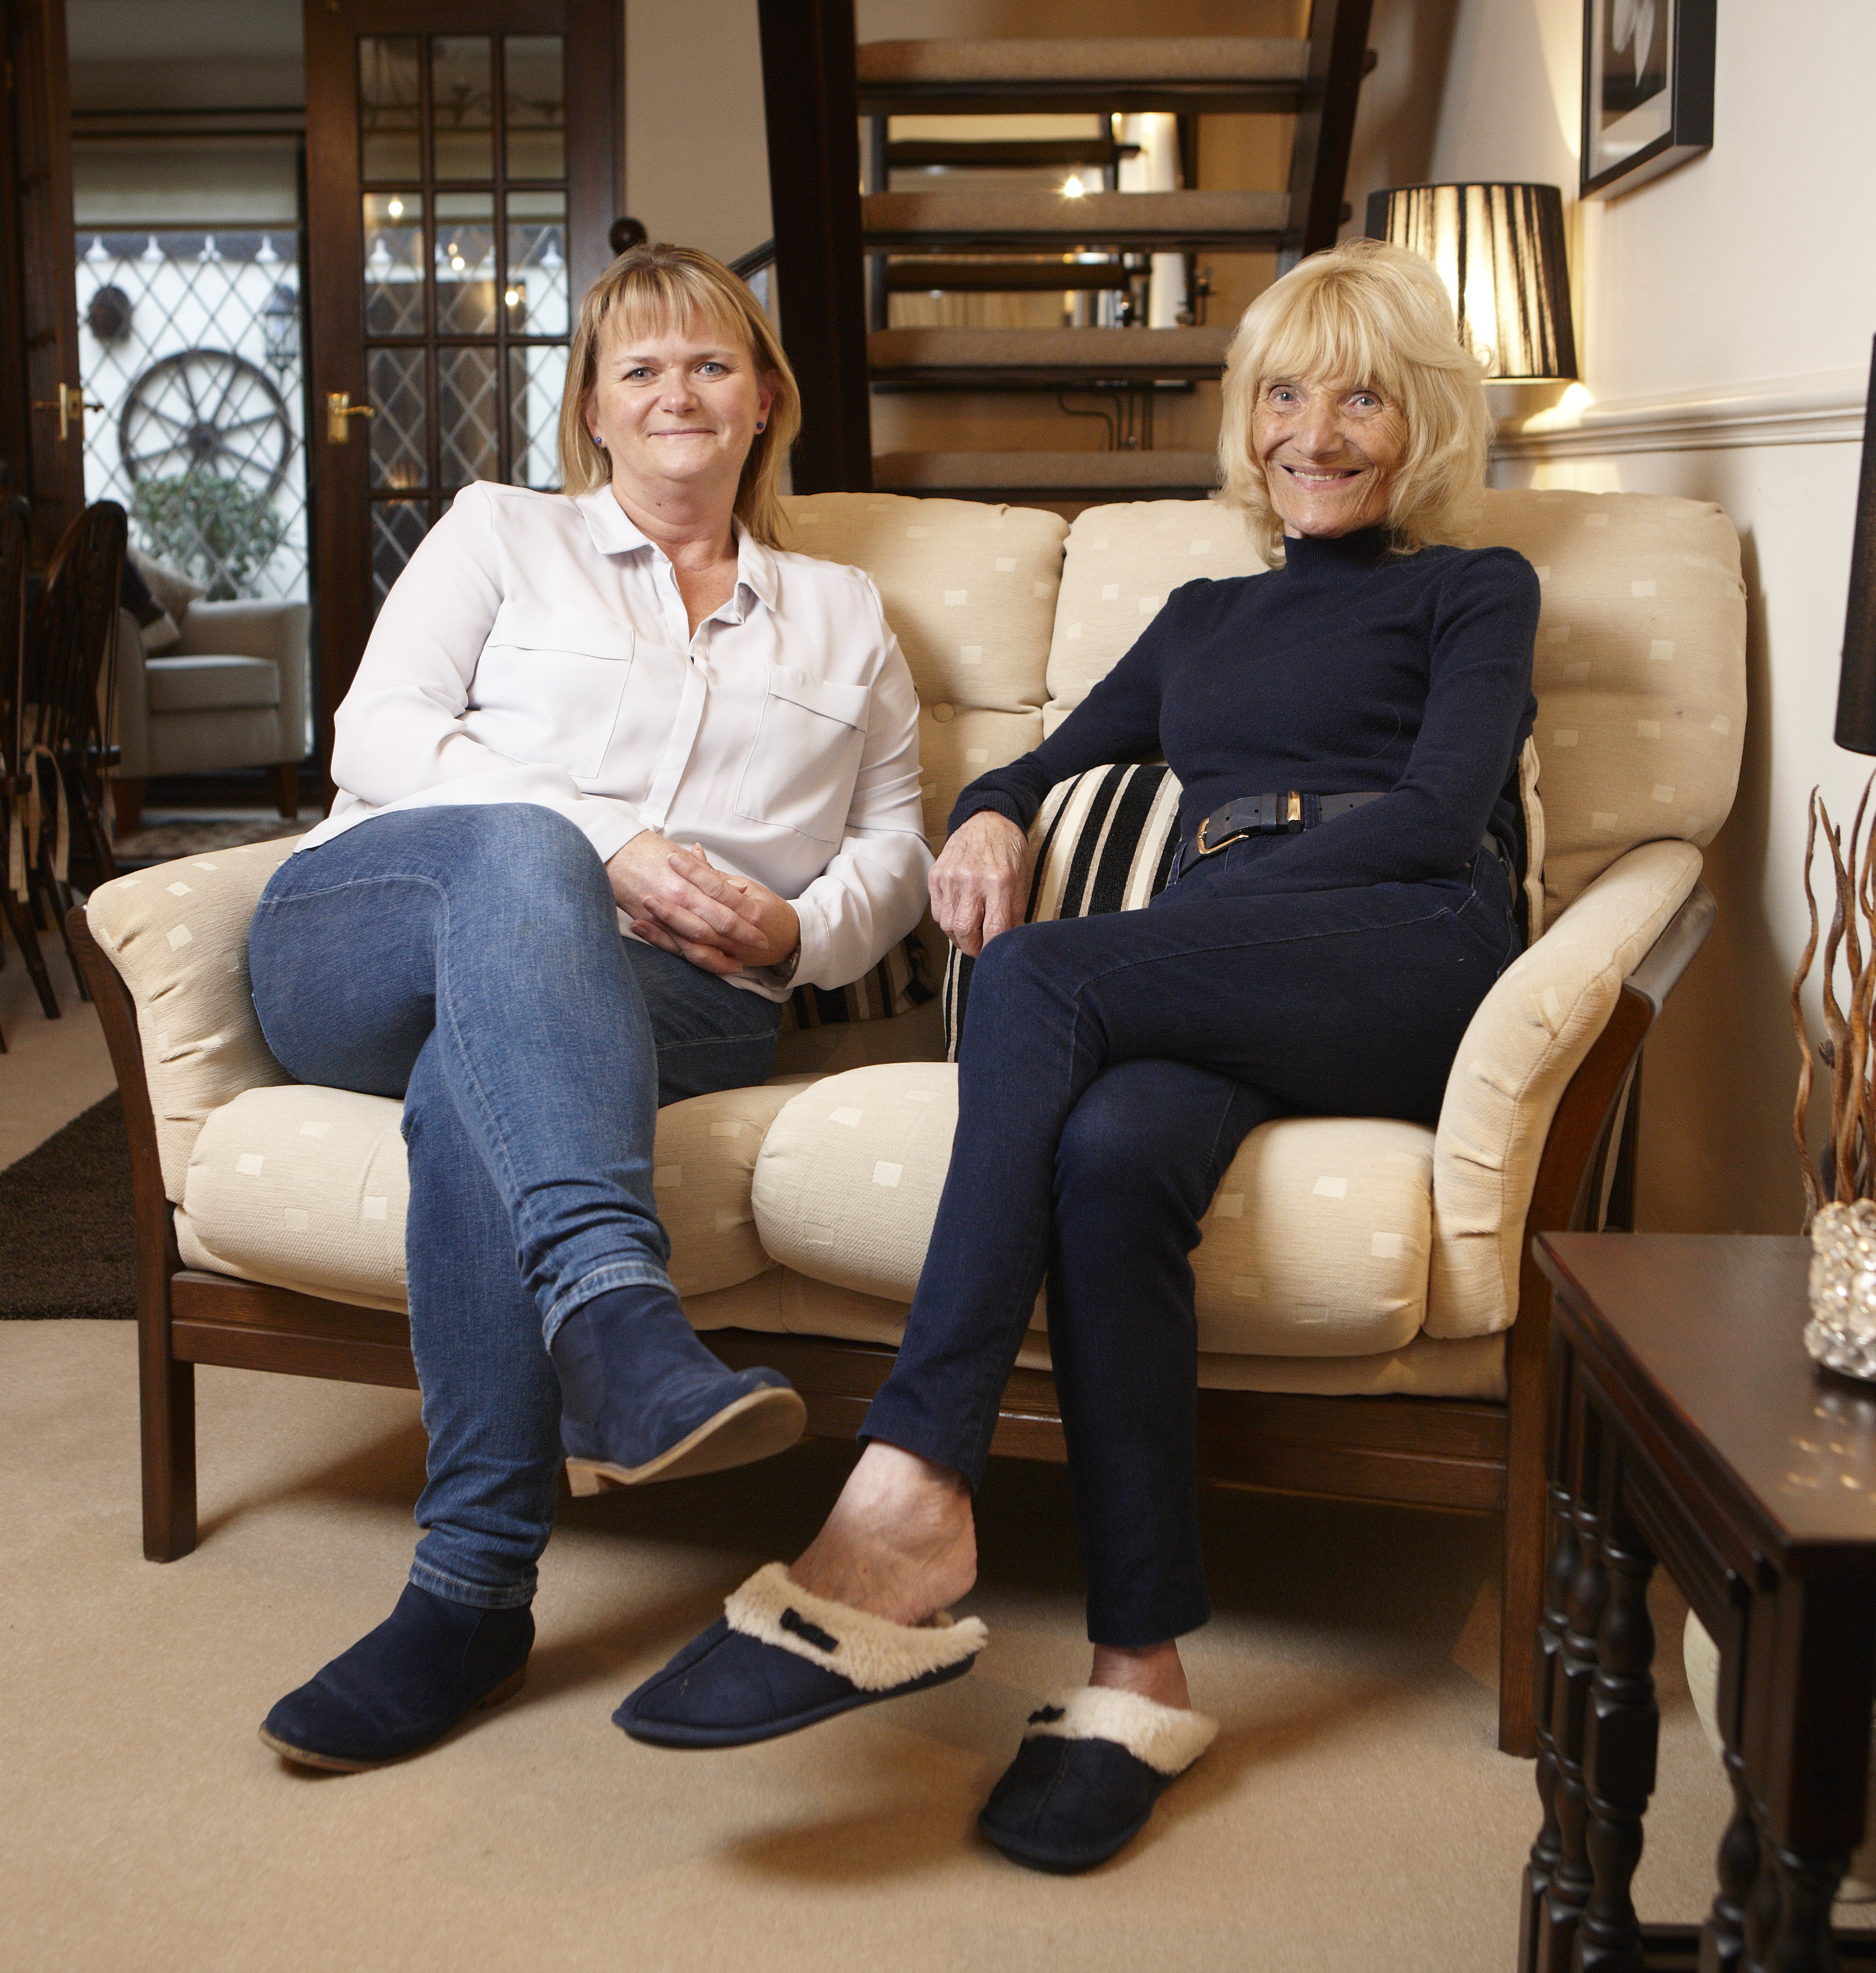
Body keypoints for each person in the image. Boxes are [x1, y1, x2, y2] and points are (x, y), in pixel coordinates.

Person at [613, 239, 1540, 1874]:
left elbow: (1443, 815)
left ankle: (908, 1494)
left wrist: (1210, 908)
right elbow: (1049, 758)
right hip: (1240, 955)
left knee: (1042, 978)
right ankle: (1137, 1673)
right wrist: (987, 808)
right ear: (1245, 421)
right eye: (1281, 392)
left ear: (1425, 425)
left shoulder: (1473, 588)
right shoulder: (1200, 614)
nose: (1314, 431)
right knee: (1113, 1161)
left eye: (1363, 396)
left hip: (1410, 940)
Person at [247, 243, 931, 1772]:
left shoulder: (844, 615)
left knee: (469, 1094)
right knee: (522, 847)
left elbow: (898, 842)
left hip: (680, 995)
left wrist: (804, 927)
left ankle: (471, 1595)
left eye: (711, 364)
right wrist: (586, 842)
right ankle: (616, 1316)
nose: (677, 391)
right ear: (593, 414)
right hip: (370, 935)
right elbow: (378, 732)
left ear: (765, 402)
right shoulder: (502, 535)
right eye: (641, 368)